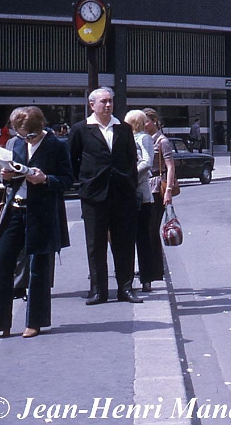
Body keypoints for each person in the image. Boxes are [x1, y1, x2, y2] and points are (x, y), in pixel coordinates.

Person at [0, 107, 72, 337]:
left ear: (40, 128)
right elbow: (10, 177)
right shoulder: (14, 144)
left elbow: (67, 180)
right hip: (15, 209)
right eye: (20, 134)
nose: (24, 139)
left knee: (38, 269)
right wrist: (1, 172)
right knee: (1, 263)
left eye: (29, 135)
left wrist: (45, 179)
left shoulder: (56, 145)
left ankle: (35, 321)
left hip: (42, 212)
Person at [67, 87, 141, 305]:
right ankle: (98, 290)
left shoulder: (124, 129)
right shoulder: (81, 129)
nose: (108, 105)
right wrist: (84, 182)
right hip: (94, 194)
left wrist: (130, 183)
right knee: (96, 244)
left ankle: (125, 288)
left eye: (110, 101)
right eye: (103, 102)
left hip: (122, 194)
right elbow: (72, 160)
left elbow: (131, 160)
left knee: (124, 243)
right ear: (92, 105)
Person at [141, 108, 175, 292]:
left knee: (153, 228)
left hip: (157, 186)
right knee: (147, 229)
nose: (144, 125)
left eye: (146, 121)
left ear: (154, 121)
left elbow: (170, 167)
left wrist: (168, 190)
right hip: (145, 186)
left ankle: (157, 269)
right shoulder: (145, 140)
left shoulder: (162, 142)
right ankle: (152, 268)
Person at [125, 111, 158, 293]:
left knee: (142, 237)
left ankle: (146, 277)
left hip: (141, 194)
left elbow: (147, 162)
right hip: (129, 192)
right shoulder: (128, 138)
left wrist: (130, 174)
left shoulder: (143, 138)